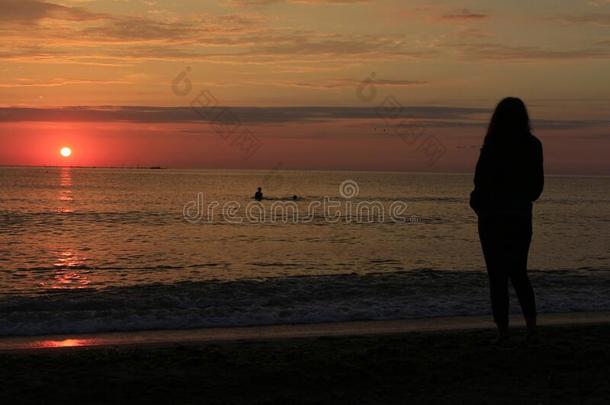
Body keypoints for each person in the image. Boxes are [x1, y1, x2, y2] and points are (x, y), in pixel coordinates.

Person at [470, 97, 544, 343]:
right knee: (518, 273)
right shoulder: (533, 146)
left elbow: (479, 181)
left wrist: (479, 202)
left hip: (492, 219)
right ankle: (532, 328)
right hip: (519, 218)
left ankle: (503, 332)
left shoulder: (492, 145)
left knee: (497, 277)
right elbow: (536, 189)